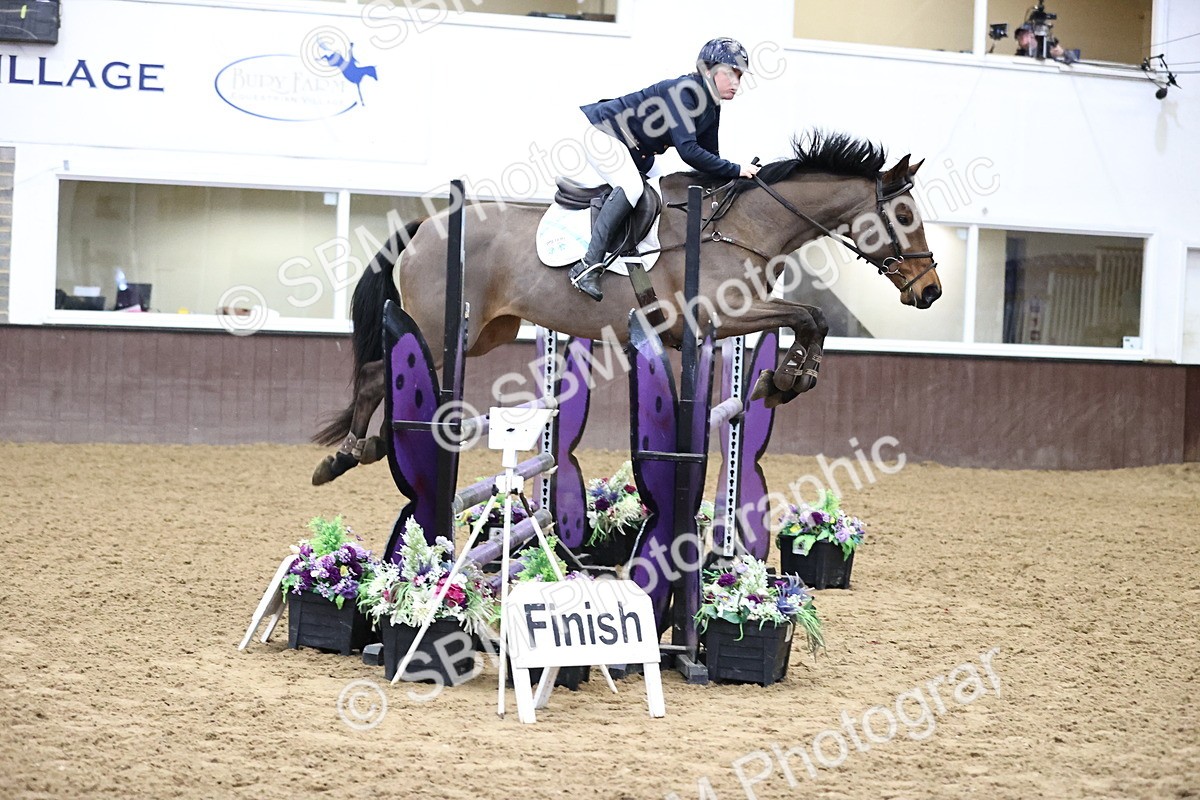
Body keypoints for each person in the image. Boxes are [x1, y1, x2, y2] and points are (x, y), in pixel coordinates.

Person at [564, 37, 761, 302]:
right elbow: (689, 151)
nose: (736, 82)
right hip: (603, 132)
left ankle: (639, 258)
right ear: (708, 70)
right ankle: (587, 265)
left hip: (636, 150)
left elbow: (711, 158)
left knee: (664, 189)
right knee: (632, 188)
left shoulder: (711, 105)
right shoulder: (685, 92)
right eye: (730, 73)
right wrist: (736, 169)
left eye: (739, 75)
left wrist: (736, 179)